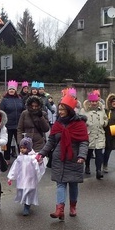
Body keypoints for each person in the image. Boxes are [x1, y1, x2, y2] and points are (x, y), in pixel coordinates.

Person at [36, 88, 89, 220]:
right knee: (60, 184)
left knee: (73, 184)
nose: (60, 112)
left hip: (74, 158)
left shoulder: (79, 124)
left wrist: (82, 156)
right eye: (59, 110)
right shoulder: (58, 124)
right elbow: (51, 141)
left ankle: (73, 206)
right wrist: (42, 153)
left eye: (62, 110)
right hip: (59, 158)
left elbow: (83, 142)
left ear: (69, 111)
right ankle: (59, 209)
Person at [7, 137, 46, 216]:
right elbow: (14, 168)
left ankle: (27, 206)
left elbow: (38, 166)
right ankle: (25, 203)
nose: (22, 150)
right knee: (22, 191)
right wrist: (10, 177)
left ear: (28, 148)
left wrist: (40, 162)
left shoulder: (33, 158)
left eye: (24, 148)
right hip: (21, 179)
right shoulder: (19, 158)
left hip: (30, 179)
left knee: (29, 191)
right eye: (21, 148)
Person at [80, 91, 107, 179]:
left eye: (96, 101)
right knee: (89, 153)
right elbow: (80, 121)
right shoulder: (84, 110)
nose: (94, 103)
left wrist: (104, 123)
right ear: (89, 102)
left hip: (100, 134)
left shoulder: (102, 109)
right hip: (89, 135)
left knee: (99, 153)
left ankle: (98, 170)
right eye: (92, 101)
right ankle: (87, 166)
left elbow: (106, 118)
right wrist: (85, 124)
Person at [0, 80, 24, 161]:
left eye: (13, 89)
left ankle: (22, 158)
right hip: (8, 125)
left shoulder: (19, 99)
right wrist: (1, 124)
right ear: (8, 91)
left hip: (18, 125)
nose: (11, 91)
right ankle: (6, 159)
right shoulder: (4, 100)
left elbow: (23, 110)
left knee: (20, 142)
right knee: (7, 143)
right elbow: (1, 112)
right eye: (10, 89)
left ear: (15, 90)